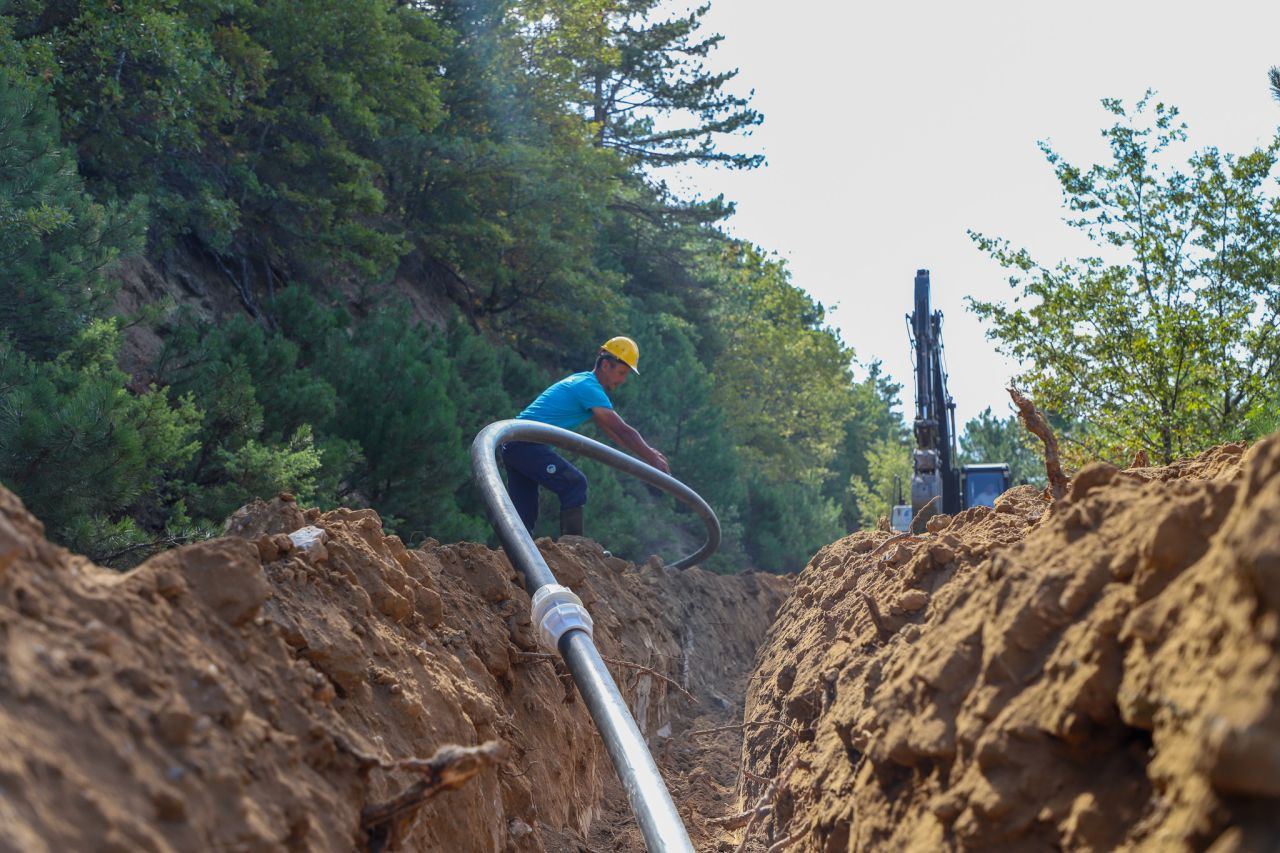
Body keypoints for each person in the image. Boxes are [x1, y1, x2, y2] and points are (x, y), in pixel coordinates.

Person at [501, 336, 669, 538]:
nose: (623, 380)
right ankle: (573, 551)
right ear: (606, 365)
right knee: (574, 484)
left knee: (524, 514)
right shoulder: (588, 387)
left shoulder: (585, 384)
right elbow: (624, 430)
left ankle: (516, 561)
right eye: (621, 373)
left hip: (516, 445)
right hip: (524, 444)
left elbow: (615, 433)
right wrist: (651, 458)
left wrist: (647, 455)